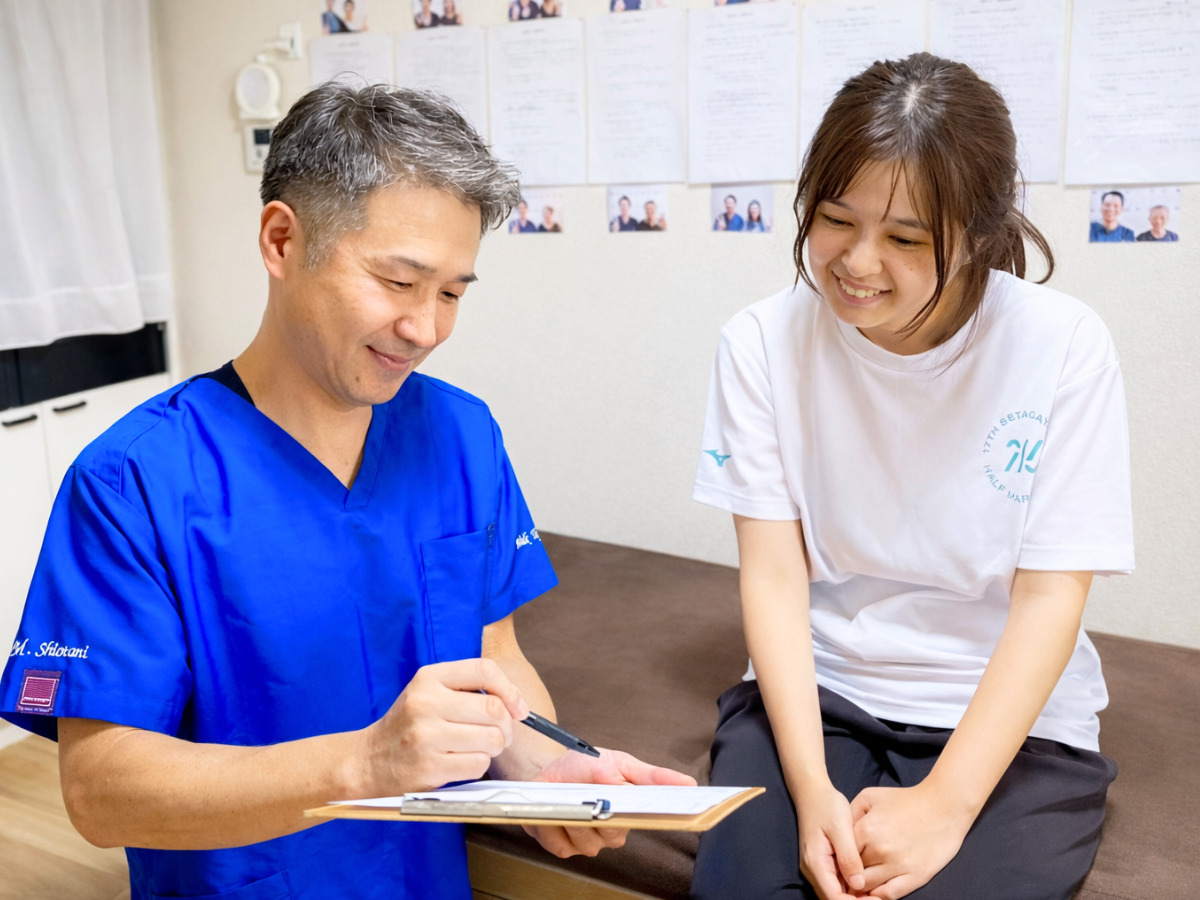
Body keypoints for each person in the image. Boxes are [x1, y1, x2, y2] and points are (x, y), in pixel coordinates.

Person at [0, 83, 692, 900]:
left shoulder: (461, 435)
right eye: (399, 282)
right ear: (282, 240)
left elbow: (493, 659)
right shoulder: (132, 482)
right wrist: (365, 762)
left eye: (452, 292)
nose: (426, 329)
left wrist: (547, 773)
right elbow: (101, 792)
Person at [691, 52, 1131, 900]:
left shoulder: (1062, 345)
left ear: (981, 235)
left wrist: (945, 804)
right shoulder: (760, 343)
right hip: (821, 691)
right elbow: (774, 575)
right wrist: (810, 789)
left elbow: (1050, 598)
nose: (858, 263)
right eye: (835, 219)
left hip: (1010, 721)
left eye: (905, 238)